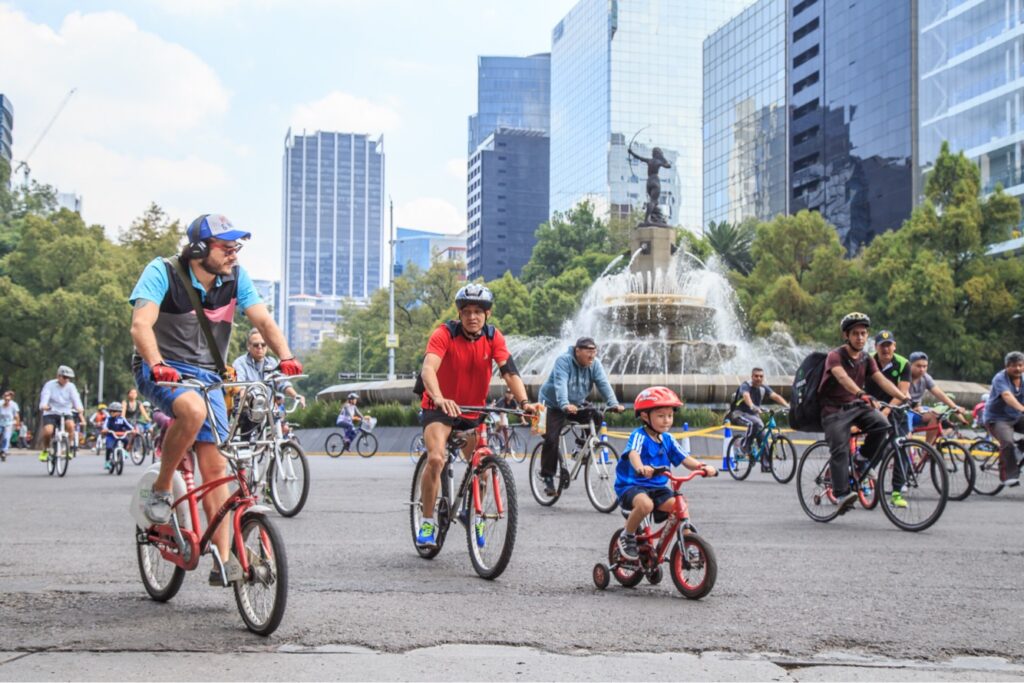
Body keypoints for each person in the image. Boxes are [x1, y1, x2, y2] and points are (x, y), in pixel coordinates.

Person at [129, 213, 302, 585]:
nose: (233, 254)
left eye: (235, 247)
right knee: (191, 409)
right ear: (198, 249)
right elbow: (141, 324)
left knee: (216, 468)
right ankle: (161, 490)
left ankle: (224, 561)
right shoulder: (163, 272)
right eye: (226, 247)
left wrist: (286, 357)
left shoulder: (236, 278)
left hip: (209, 376)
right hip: (162, 368)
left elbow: (264, 322)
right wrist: (157, 363)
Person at [415, 283, 535, 548]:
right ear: (460, 314)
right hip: (439, 407)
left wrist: (525, 402)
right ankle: (426, 521)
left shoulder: (494, 338)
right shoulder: (444, 334)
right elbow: (428, 370)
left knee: (481, 468)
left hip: (473, 410)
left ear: (487, 314)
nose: (472, 316)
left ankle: (475, 514)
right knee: (436, 458)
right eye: (467, 311)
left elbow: (510, 373)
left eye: (478, 311)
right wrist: (439, 397)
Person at [820, 313, 910, 513]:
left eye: (863, 333)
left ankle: (862, 460)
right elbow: (843, 378)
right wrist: (861, 393)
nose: (860, 338)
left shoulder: (866, 358)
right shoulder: (835, 356)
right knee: (840, 448)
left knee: (882, 424)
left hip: (854, 405)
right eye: (855, 334)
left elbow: (882, 380)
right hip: (833, 409)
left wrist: (903, 397)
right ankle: (842, 493)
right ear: (846, 335)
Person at [613, 386, 716, 561]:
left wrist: (702, 467)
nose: (667, 420)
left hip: (657, 487)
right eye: (661, 416)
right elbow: (633, 453)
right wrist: (641, 468)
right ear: (645, 416)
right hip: (632, 486)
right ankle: (627, 535)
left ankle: (687, 540)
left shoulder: (668, 439)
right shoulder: (639, 436)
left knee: (679, 504)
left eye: (670, 415)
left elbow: (684, 458)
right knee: (646, 505)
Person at [538, 337, 625, 496]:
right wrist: (564, 404)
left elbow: (603, 384)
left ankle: (581, 448)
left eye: (594, 351)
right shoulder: (563, 361)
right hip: (552, 404)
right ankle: (548, 476)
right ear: (577, 351)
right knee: (551, 438)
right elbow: (560, 384)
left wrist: (613, 403)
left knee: (597, 416)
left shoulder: (595, 365)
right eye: (588, 351)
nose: (592, 355)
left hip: (576, 403)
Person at [729, 367, 790, 465]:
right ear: (752, 376)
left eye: (761, 376)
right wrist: (752, 406)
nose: (759, 378)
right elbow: (746, 396)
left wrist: (788, 406)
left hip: (754, 414)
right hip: (740, 413)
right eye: (756, 376)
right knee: (755, 423)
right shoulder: (745, 386)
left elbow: (775, 396)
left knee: (763, 435)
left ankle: (766, 464)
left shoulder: (763, 388)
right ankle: (744, 447)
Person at [232, 328, 306, 406]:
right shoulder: (240, 363)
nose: (260, 347)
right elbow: (240, 385)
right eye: (256, 345)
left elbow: (282, 383)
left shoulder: (272, 362)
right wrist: (244, 400)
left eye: (263, 344)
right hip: (246, 410)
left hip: (268, 411)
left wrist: (296, 396)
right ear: (248, 346)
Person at [905, 351, 965, 445]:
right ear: (910, 365)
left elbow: (940, 394)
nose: (922, 369)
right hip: (903, 411)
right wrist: (915, 406)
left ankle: (927, 448)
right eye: (918, 366)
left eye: (925, 366)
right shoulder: (905, 376)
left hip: (917, 410)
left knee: (936, 415)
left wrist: (955, 408)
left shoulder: (926, 377)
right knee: (906, 437)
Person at [983, 351, 1024, 486]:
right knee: (1007, 442)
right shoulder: (1000, 378)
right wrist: (1022, 409)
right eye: (1013, 365)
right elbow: (1007, 396)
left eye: (1020, 365)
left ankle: (1020, 449)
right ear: (1006, 366)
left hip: (1017, 417)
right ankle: (1008, 475)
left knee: (1014, 446)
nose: (1017, 368)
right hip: (997, 419)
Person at [38, 365, 86, 462]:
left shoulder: (71, 387)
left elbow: (76, 398)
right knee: (48, 432)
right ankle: (45, 450)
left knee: (71, 426)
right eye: (64, 377)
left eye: (68, 378)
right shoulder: (49, 385)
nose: (66, 380)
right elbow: (45, 397)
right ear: (58, 376)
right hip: (51, 411)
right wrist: (44, 405)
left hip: (65, 412)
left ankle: (69, 447)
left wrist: (80, 408)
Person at [865, 330, 910, 417]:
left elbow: (902, 392)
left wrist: (887, 410)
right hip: (869, 406)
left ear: (894, 346)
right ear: (875, 346)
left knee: (906, 431)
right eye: (882, 345)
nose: (885, 349)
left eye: (888, 345)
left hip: (894, 408)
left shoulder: (904, 363)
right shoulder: (866, 360)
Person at [101, 401, 134, 471]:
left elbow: (129, 426)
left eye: (114, 411)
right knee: (109, 447)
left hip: (121, 435)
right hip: (111, 436)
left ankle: (124, 451)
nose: (112, 413)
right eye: (111, 411)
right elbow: (105, 426)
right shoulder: (108, 419)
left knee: (126, 440)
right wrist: (105, 429)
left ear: (119, 412)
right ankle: (107, 462)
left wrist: (133, 430)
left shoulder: (122, 419)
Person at [0, 390, 20, 462]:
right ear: (3, 398)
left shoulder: (14, 405)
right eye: (5, 399)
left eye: (8, 399)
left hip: (9, 423)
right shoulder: (0, 404)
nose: (7, 401)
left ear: (10, 399)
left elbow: (17, 416)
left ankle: (4, 451)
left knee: (6, 437)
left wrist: (17, 425)